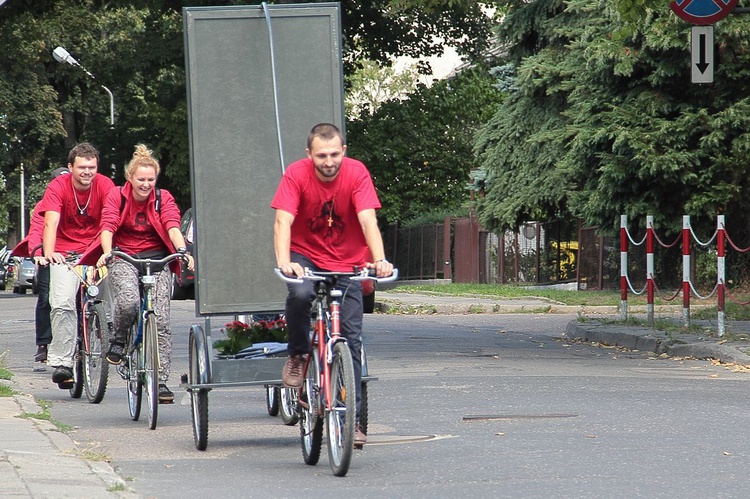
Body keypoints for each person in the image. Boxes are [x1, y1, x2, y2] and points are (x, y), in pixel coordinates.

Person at [272, 123, 394, 447]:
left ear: (344, 151)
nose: (329, 161)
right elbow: (283, 220)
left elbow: (368, 219)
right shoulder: (297, 174)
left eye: (334, 154)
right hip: (306, 256)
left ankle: (353, 422)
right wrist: (286, 261)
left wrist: (379, 259)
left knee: (351, 340)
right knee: (300, 292)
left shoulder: (356, 173)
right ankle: (298, 355)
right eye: (322, 155)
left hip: (348, 261)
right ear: (309, 154)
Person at [80, 144, 194, 404]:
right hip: (124, 257)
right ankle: (119, 340)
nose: (146, 184)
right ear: (130, 178)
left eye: (150, 180)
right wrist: (108, 253)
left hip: (158, 258)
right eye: (141, 179)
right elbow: (107, 226)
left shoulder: (162, 198)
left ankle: (161, 380)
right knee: (129, 301)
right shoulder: (117, 197)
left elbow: (172, 225)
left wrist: (182, 251)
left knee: (162, 318)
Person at [40, 143, 116, 388]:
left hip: (95, 251)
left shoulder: (105, 186)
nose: (87, 172)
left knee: (107, 298)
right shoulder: (58, 187)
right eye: (82, 167)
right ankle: (62, 362)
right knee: (62, 302)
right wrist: (50, 253)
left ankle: (109, 336)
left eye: (91, 167)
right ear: (71, 167)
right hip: (65, 252)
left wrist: (107, 253)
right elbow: (50, 223)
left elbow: (111, 220)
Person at [11, 167, 71, 363]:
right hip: (50, 254)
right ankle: (43, 344)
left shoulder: (80, 201)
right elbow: (38, 228)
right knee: (45, 297)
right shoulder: (44, 205)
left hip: (76, 254)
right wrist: (38, 253)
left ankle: (92, 334)